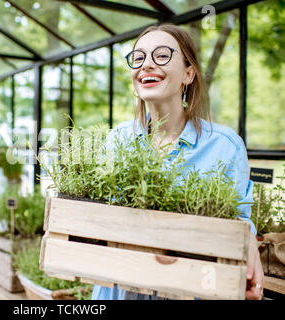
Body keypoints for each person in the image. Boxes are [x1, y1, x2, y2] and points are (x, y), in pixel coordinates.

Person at [91, 23, 264, 300]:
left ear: (188, 73)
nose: (146, 64)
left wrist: (248, 244)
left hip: (190, 289)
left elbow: (239, 221)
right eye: (139, 57)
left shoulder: (224, 146)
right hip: (117, 291)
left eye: (161, 55)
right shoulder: (116, 140)